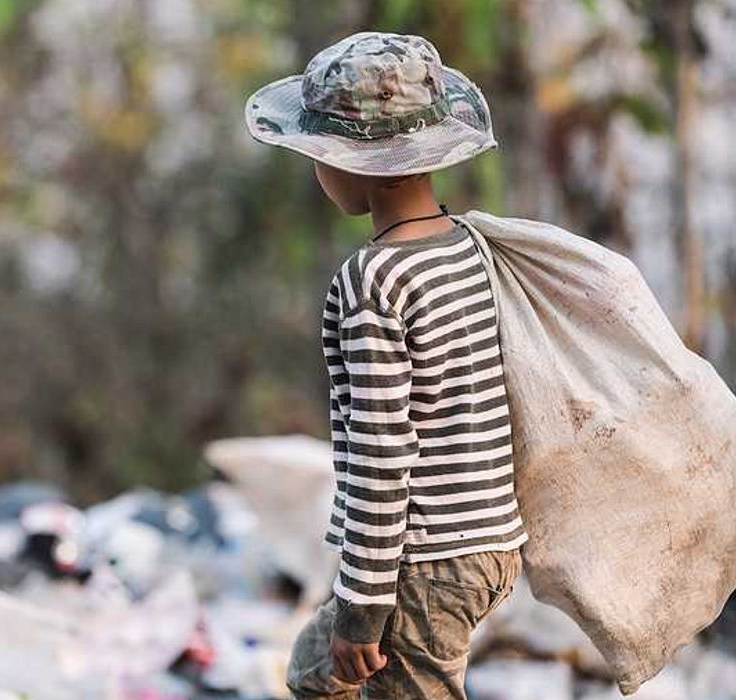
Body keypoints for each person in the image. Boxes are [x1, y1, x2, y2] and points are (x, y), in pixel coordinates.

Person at [244, 32, 528, 699]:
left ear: (358, 162)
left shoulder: (373, 280)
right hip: (490, 542)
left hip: (422, 559)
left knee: (373, 672)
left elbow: (381, 454)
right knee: (315, 674)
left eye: (318, 153)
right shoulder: (470, 249)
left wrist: (363, 608)